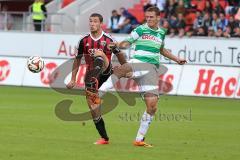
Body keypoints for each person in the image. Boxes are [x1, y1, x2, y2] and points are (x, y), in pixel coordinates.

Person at [99, 6, 187, 147]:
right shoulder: (141, 29)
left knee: (152, 107)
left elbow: (161, 49)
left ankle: (139, 139)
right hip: (139, 62)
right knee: (122, 70)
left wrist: (176, 59)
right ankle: (98, 94)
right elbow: (128, 42)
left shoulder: (161, 33)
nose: (149, 19)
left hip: (151, 70)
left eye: (152, 17)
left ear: (158, 17)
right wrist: (116, 45)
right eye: (147, 17)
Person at [66, 13, 126, 145]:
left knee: (99, 55)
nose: (92, 23)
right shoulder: (83, 41)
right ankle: (104, 138)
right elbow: (77, 60)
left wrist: (123, 64)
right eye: (90, 21)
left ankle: (99, 73)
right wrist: (73, 79)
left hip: (106, 72)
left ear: (100, 24)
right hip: (91, 78)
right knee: (94, 110)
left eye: (95, 21)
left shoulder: (109, 39)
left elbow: (122, 58)